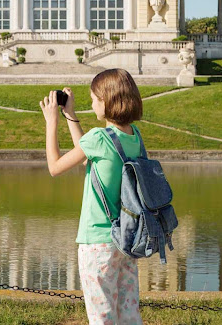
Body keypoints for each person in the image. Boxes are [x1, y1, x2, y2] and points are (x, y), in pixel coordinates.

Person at [39, 69, 144, 325]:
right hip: (126, 241)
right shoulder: (133, 136)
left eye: (94, 99)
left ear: (107, 101)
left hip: (97, 243)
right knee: (128, 315)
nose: (92, 104)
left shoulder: (99, 138)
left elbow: (55, 167)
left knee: (102, 318)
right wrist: (71, 116)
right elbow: (87, 156)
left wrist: (51, 121)